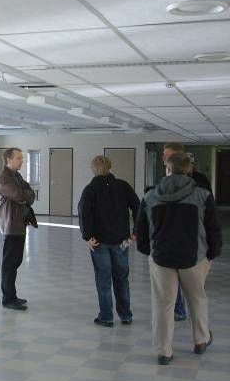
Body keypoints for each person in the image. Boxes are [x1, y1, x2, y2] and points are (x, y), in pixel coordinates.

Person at [135, 152, 222, 365]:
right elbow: (213, 229)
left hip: (161, 259)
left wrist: (149, 251)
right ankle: (201, 340)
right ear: (188, 169)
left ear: (167, 169)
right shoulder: (202, 195)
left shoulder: (150, 196)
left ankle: (164, 351)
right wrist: (212, 254)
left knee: (163, 304)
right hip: (194, 258)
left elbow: (141, 231)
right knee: (197, 299)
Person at [78, 155, 139, 327]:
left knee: (103, 279)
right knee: (122, 278)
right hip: (122, 241)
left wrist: (88, 236)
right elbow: (138, 206)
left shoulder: (90, 189)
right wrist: (136, 232)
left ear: (93, 169)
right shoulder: (123, 186)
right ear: (110, 167)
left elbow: (84, 213)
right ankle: (126, 315)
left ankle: (106, 317)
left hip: (99, 242)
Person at [162, 143, 213, 320]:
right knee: (171, 281)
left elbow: (209, 213)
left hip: (195, 241)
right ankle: (179, 310)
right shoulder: (165, 182)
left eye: (167, 155)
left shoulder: (200, 181)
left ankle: (198, 322)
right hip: (171, 241)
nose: (164, 158)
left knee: (195, 287)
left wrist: (211, 250)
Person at [0, 147, 36, 310]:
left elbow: (31, 194)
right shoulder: (4, 177)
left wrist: (25, 196)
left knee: (15, 262)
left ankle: (12, 296)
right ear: (9, 160)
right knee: (9, 264)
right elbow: (19, 195)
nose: (22, 161)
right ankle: (8, 299)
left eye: (22, 158)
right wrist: (24, 195)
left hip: (19, 224)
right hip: (11, 226)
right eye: (19, 158)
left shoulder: (16, 176)